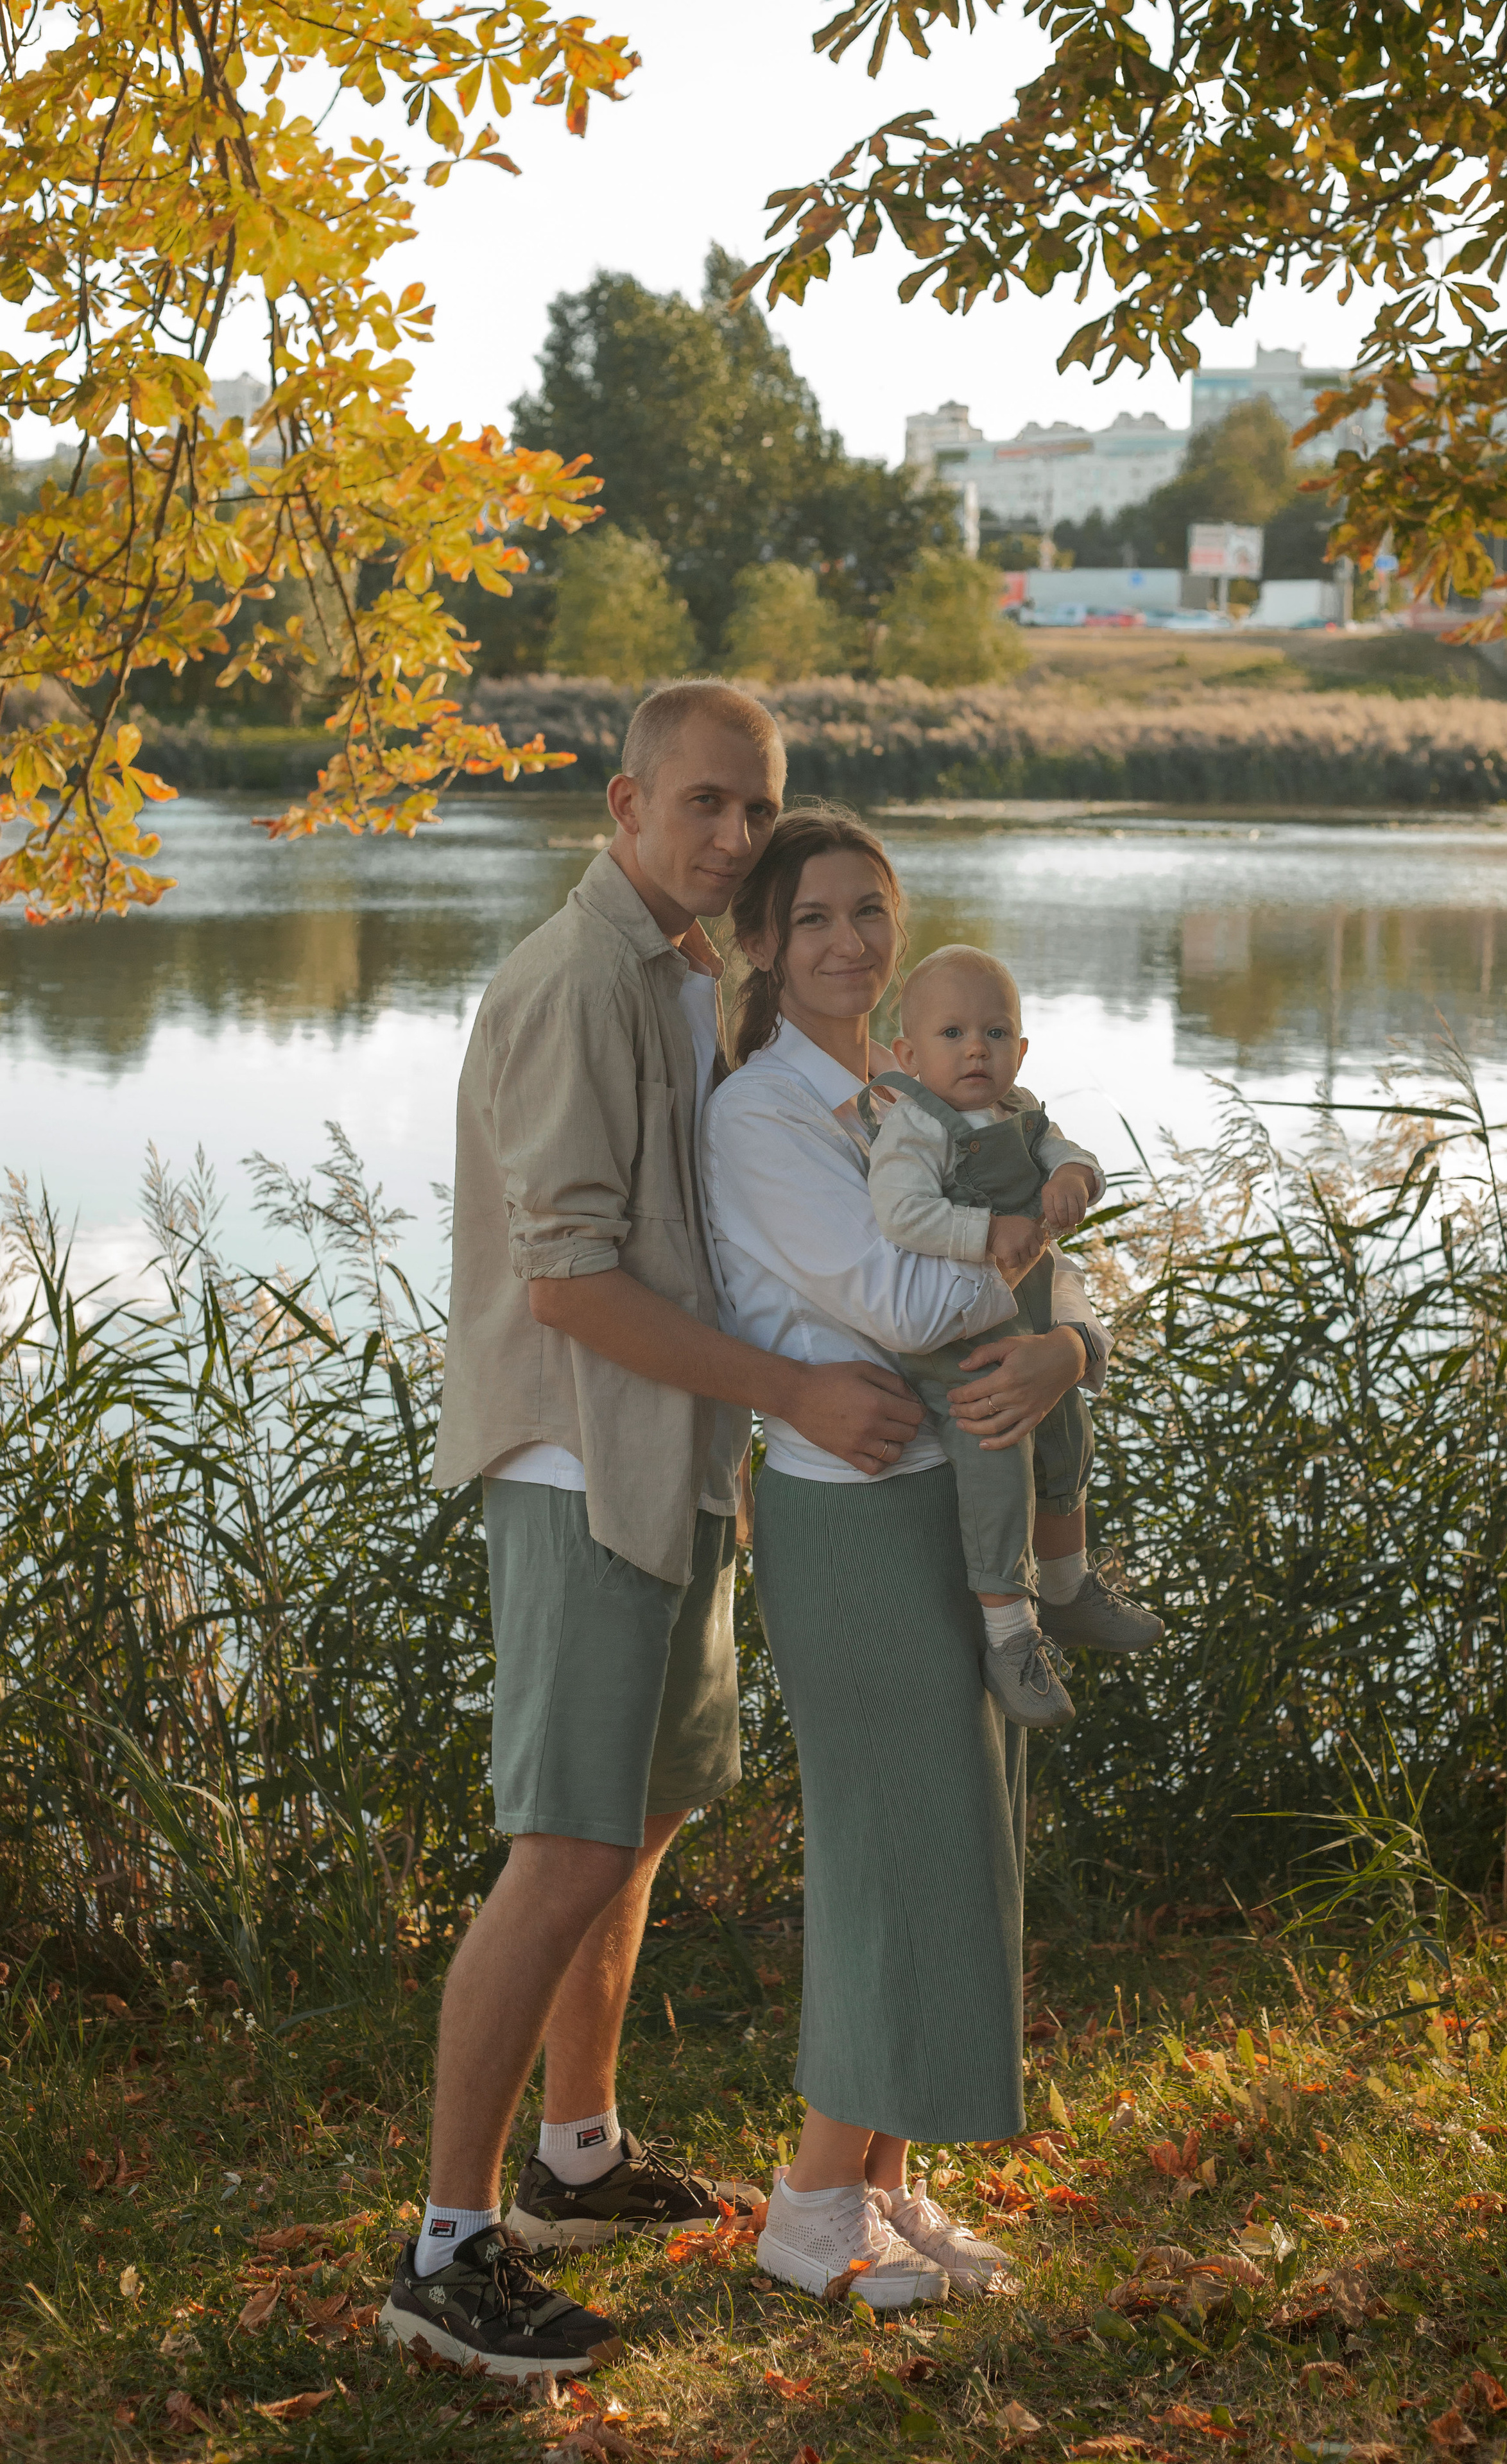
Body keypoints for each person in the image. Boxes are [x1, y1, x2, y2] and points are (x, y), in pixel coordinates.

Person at [381, 688, 926, 2380]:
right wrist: (798, 1392)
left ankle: (576, 2155)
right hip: (577, 1465)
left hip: (672, 1460)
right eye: (704, 804)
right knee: (564, 1845)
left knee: (645, 1817)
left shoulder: (686, 974)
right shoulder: (570, 983)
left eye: (755, 810)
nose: (735, 838)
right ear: (624, 804)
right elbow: (567, 1285)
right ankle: (445, 2253)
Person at [699, 805, 1114, 2309]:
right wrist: (1030, 1280)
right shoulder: (761, 1114)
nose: (846, 942)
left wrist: (1066, 1347)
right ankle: (810, 2205)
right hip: (853, 1511)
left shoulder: (909, 1081)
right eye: (811, 917)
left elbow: (1035, 1276)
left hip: (949, 1494)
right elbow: (892, 1301)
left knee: (957, 1831)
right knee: (893, 1843)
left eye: (866, 911)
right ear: (761, 942)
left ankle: (883, 2180)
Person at [859, 941, 1163, 1729]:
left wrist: (1073, 1178)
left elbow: (1068, 1152)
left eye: (994, 1034)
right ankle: (1010, 1638)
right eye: (952, 1034)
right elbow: (901, 1213)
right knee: (996, 1456)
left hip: (1025, 1321)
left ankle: (1067, 1589)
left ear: (1020, 1050)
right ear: (908, 1055)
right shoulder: (913, 1127)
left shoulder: (1021, 1111)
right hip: (956, 1344)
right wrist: (984, 1230)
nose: (975, 1050)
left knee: (1066, 1431)